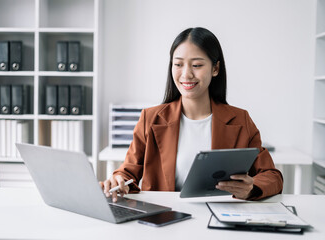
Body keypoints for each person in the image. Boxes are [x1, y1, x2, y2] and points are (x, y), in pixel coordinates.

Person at [100, 27, 283, 202]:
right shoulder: (151, 119)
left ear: (215, 68)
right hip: (165, 220)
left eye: (196, 65)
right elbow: (127, 172)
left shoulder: (240, 120)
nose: (186, 74)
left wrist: (252, 188)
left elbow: (272, 176)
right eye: (178, 64)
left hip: (219, 217)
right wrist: (118, 180)